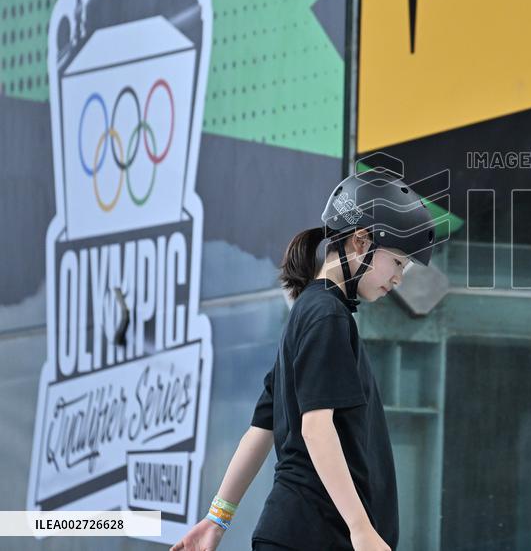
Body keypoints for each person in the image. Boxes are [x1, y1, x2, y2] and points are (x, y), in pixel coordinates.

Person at [170, 169, 438, 551]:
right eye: (397, 262)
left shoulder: (310, 313)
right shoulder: (326, 316)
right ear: (361, 242)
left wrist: (217, 519)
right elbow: (315, 428)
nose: (399, 278)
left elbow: (261, 429)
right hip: (313, 537)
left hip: (299, 535)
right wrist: (361, 530)